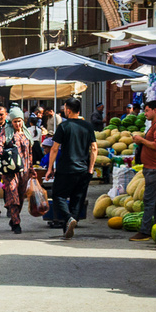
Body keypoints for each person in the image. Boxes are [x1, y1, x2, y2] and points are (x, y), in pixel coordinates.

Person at [45, 98, 97, 240]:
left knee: (58, 196)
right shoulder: (88, 126)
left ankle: (68, 218)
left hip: (66, 169)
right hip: (83, 170)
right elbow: (94, 148)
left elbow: (54, 148)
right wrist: (91, 168)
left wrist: (50, 168)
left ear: (68, 109)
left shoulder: (64, 126)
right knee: (77, 199)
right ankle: (69, 225)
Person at [130, 100, 156, 242]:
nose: (145, 114)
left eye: (147, 111)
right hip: (151, 167)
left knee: (149, 199)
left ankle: (145, 231)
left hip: (155, 167)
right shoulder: (155, 125)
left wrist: (141, 140)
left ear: (155, 110)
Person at [0, 108, 33, 234]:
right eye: (15, 122)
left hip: (25, 170)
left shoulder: (26, 133)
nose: (17, 124)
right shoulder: (6, 132)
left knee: (21, 197)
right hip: (10, 171)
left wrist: (31, 169)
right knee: (13, 196)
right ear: (11, 122)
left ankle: (13, 218)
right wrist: (4, 155)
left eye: (19, 121)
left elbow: (30, 152)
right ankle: (17, 223)